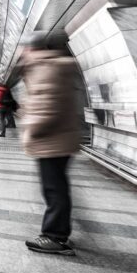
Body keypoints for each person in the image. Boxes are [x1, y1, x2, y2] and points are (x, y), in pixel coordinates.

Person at [19, 31, 81, 256]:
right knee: (56, 188)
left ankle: (55, 237)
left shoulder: (47, 68)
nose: (22, 52)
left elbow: (47, 105)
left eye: (24, 48)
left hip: (51, 139)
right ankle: (57, 233)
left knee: (54, 189)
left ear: (32, 49)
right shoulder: (53, 66)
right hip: (58, 138)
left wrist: (31, 128)